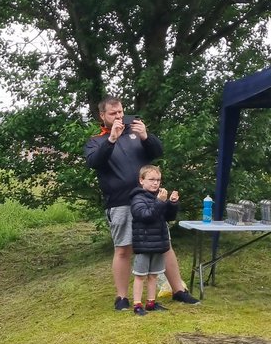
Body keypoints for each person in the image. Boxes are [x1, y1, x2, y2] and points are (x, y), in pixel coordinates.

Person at [84, 97, 201, 310]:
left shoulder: (135, 132)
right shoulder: (96, 141)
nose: (119, 116)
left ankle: (179, 290)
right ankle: (122, 297)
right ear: (102, 116)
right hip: (119, 202)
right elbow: (94, 162)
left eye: (120, 112)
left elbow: (157, 152)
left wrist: (146, 136)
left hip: (148, 199)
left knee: (163, 244)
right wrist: (111, 139)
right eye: (113, 114)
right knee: (123, 249)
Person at [129, 166, 179, 316]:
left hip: (159, 243)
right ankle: (137, 305)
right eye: (151, 180)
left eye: (158, 180)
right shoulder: (137, 198)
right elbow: (146, 216)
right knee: (140, 275)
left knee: (154, 275)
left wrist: (172, 203)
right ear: (141, 181)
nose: (155, 183)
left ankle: (151, 302)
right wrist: (160, 202)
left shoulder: (159, 197)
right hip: (144, 244)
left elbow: (168, 217)